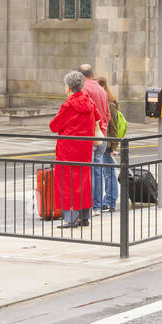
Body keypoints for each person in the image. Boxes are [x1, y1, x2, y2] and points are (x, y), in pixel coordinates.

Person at [50, 70, 101, 228]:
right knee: (84, 182)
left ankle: (70, 218)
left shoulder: (68, 105)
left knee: (67, 184)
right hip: (85, 149)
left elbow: (54, 126)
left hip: (68, 150)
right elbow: (98, 116)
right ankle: (84, 217)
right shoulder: (89, 102)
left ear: (68, 87)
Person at [79, 63, 114, 214]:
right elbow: (107, 115)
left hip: (90, 134)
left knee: (88, 171)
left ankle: (90, 205)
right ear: (92, 75)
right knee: (98, 169)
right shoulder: (101, 89)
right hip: (102, 134)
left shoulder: (83, 89)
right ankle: (98, 206)